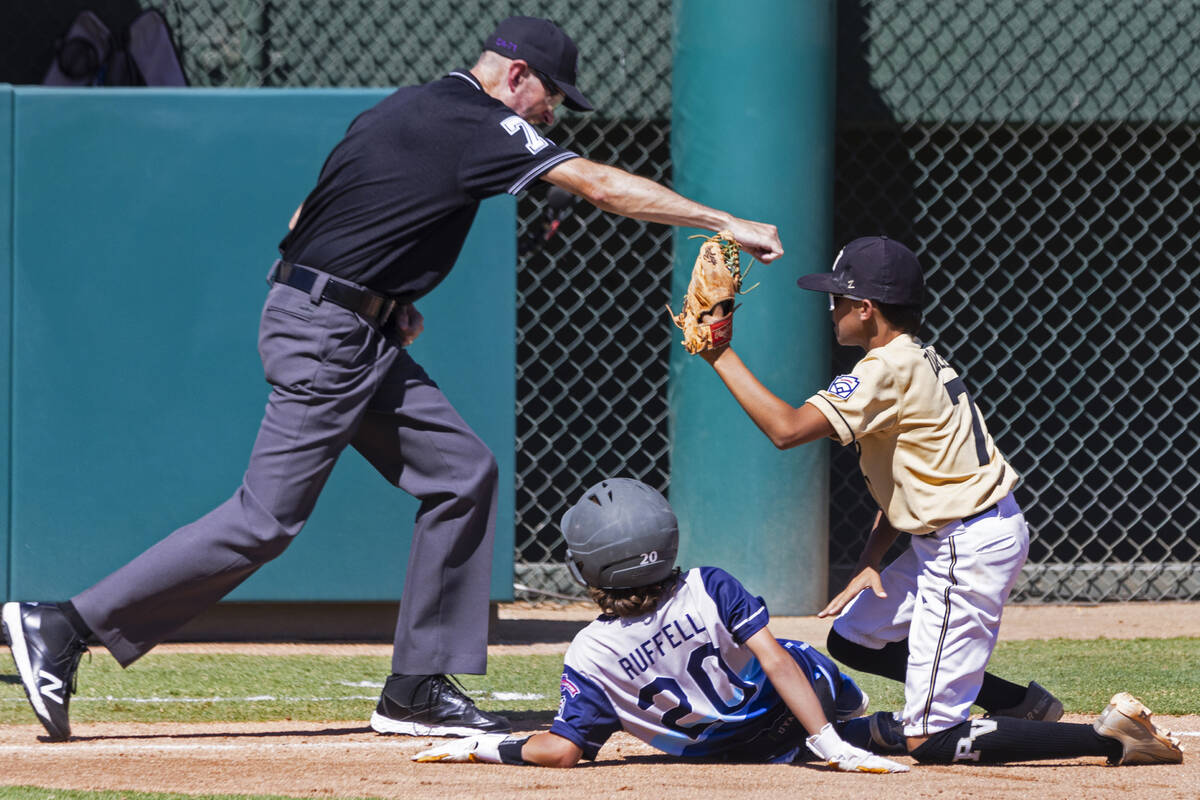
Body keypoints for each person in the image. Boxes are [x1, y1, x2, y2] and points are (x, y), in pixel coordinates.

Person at [0, 15, 784, 743]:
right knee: (262, 520)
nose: (553, 114)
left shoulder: (404, 108)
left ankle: (414, 688)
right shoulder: (479, 121)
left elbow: (306, 213)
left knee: (462, 474)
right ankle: (64, 626)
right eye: (551, 95)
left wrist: (381, 296)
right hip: (330, 334)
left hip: (346, 325)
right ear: (516, 77)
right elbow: (601, 186)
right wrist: (723, 220)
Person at [692, 235, 1183, 766]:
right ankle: (1020, 705)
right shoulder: (916, 355)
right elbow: (912, 477)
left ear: (865, 308)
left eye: (837, 299)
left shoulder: (883, 369)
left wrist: (719, 352)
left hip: (965, 546)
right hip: (958, 532)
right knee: (856, 640)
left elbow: (786, 430)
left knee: (931, 741)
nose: (830, 309)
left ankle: (1110, 738)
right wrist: (870, 560)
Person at [411, 477, 908, 772]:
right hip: (797, 717)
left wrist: (481, 748)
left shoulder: (590, 651)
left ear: (589, 569)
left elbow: (561, 751)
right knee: (788, 651)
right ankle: (849, 715)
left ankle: (834, 729)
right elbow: (775, 662)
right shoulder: (708, 584)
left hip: (722, 757)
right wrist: (829, 744)